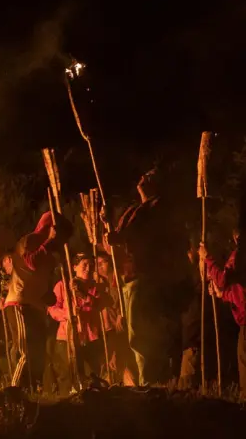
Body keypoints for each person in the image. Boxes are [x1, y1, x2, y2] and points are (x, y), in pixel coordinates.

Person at [106, 169, 193, 385]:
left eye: (150, 176)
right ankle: (147, 383)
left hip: (151, 280)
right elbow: (117, 241)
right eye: (143, 175)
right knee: (136, 335)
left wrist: (121, 236)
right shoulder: (136, 210)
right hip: (133, 278)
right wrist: (108, 226)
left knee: (146, 335)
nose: (143, 179)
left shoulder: (161, 209)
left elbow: (145, 235)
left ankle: (152, 383)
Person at [0, 211, 73, 392]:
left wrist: (48, 294)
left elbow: (39, 277)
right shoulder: (30, 241)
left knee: (38, 356)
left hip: (35, 307)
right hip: (20, 304)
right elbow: (30, 262)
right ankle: (14, 394)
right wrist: (49, 242)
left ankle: (33, 394)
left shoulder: (50, 248)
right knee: (27, 353)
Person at [48, 254, 108, 393]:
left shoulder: (95, 287)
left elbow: (97, 304)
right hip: (66, 338)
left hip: (89, 337)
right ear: (74, 267)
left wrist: (83, 295)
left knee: (91, 376)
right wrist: (67, 314)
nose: (88, 268)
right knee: (67, 375)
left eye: (90, 265)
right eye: (84, 265)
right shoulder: (62, 285)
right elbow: (52, 309)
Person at [200, 232, 246, 394]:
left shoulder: (241, 255)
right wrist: (222, 294)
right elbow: (238, 291)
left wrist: (208, 258)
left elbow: (222, 280)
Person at [96, 252, 136, 385]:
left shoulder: (116, 278)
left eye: (103, 263)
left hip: (118, 324)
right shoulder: (100, 282)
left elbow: (122, 298)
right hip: (107, 326)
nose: (100, 266)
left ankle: (130, 383)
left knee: (121, 354)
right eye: (98, 264)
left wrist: (120, 314)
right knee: (110, 357)